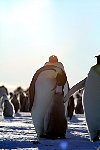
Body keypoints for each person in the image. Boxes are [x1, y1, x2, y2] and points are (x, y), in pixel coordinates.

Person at [29, 55, 69, 140]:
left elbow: (32, 90)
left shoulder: (42, 74)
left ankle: (50, 131)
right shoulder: (59, 73)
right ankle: (41, 131)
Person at [64, 54, 100, 142]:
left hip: (90, 102)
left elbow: (80, 85)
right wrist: (67, 96)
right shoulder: (93, 72)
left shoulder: (93, 72)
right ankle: (94, 135)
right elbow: (80, 84)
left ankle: (94, 134)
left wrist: (67, 96)